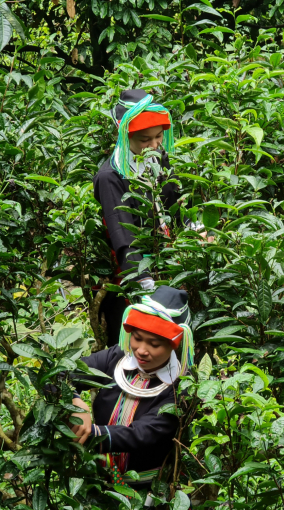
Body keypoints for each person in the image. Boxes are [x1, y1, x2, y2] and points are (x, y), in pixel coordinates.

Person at [93, 89, 201, 346]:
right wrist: (142, 280)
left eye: (159, 137)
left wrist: (192, 230)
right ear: (124, 136)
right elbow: (122, 235)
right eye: (145, 139)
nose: (154, 145)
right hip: (132, 274)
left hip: (167, 262)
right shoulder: (110, 176)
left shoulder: (159, 158)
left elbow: (173, 207)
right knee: (138, 344)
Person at [70, 285, 194, 486]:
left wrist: (90, 433)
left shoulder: (180, 386)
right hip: (95, 480)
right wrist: (74, 401)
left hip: (146, 492)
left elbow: (143, 434)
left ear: (174, 345)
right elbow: (64, 372)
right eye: (137, 338)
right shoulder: (117, 356)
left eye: (154, 344)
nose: (141, 350)